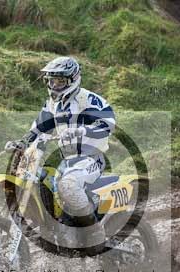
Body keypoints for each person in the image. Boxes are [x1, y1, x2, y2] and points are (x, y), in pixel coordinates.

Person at [11, 56, 115, 251]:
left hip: (91, 158)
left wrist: (82, 130)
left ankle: (94, 232)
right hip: (67, 161)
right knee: (44, 181)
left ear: (72, 79)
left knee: (68, 185)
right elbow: (39, 128)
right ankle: (57, 229)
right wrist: (23, 142)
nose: (55, 86)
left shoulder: (87, 99)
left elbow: (108, 123)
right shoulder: (53, 104)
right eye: (52, 81)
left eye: (60, 81)